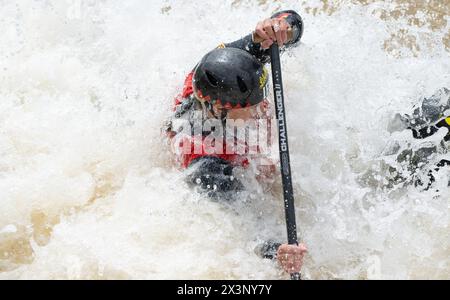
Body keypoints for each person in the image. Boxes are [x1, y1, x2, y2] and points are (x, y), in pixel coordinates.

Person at [164, 10, 307, 275]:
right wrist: (277, 251)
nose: (261, 108)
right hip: (218, 163)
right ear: (220, 107)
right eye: (251, 106)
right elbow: (245, 226)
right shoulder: (204, 163)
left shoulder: (225, 67)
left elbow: (293, 22)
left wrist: (280, 28)